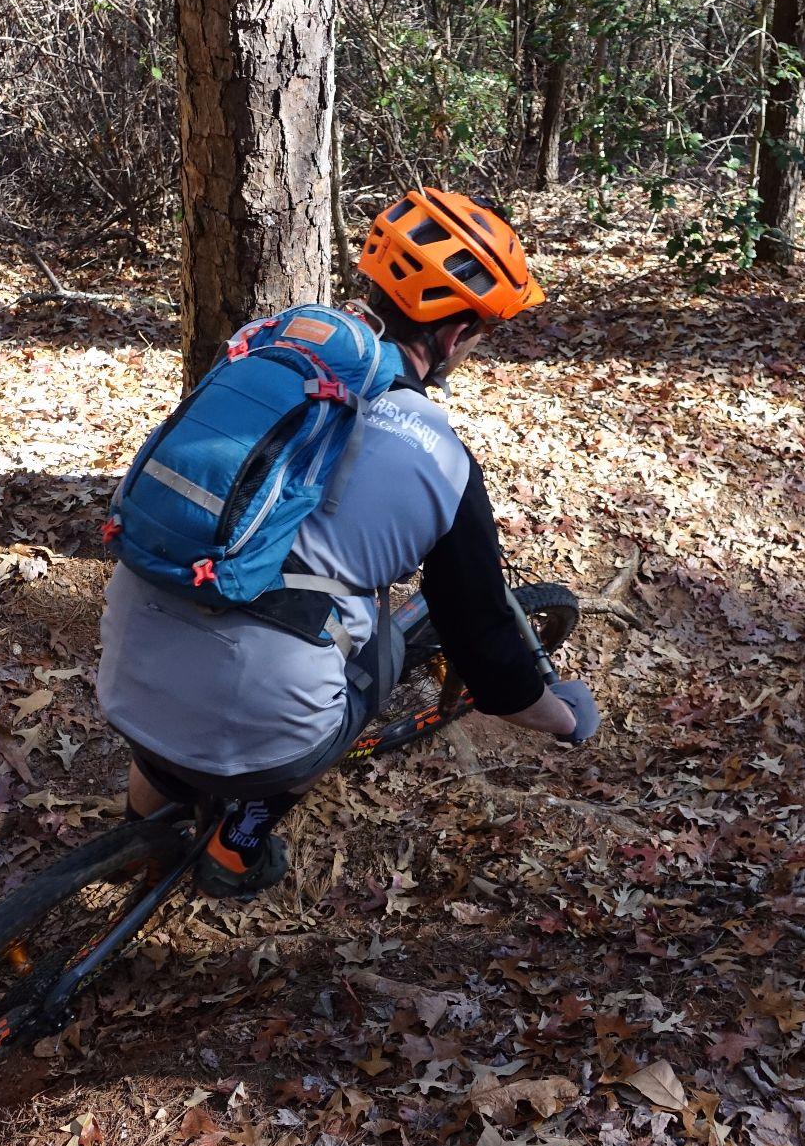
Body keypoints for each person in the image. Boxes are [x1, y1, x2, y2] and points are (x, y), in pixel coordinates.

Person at [97, 188, 600, 898]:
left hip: (125, 661)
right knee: (380, 650)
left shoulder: (273, 351)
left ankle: (140, 838)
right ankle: (238, 845)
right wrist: (562, 715)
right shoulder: (443, 460)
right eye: (483, 330)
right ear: (453, 337)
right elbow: (488, 656)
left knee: (212, 628)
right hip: (257, 710)